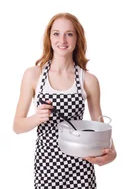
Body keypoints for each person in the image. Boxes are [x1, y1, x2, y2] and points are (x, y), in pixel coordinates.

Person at [12, 12, 117, 189]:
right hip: (47, 169)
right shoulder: (34, 75)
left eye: (69, 34)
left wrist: (111, 153)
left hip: (81, 168)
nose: (63, 40)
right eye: (56, 33)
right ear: (49, 38)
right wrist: (36, 118)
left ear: (77, 39)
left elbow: (99, 127)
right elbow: (17, 126)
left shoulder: (88, 80)